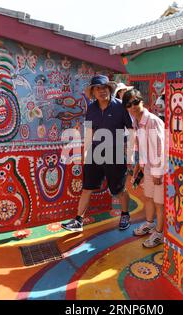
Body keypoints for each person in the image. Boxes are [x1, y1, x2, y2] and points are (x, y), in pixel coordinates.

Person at [61, 75, 134, 232]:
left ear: (109, 89)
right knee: (87, 187)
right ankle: (78, 221)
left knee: (119, 189)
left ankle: (125, 214)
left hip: (115, 153)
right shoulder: (92, 108)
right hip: (95, 152)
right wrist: (85, 155)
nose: (102, 91)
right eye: (98, 89)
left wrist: (130, 154)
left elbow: (132, 130)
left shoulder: (120, 106)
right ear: (93, 92)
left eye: (104, 88)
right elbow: (89, 132)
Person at [122, 89, 165, 248]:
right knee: (148, 197)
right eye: (128, 104)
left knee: (159, 203)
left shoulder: (151, 121)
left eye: (135, 102)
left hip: (158, 168)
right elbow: (141, 145)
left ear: (142, 101)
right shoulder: (136, 121)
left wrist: (157, 171)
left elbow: (160, 147)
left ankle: (159, 233)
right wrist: (138, 165)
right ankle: (149, 223)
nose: (132, 106)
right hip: (148, 166)